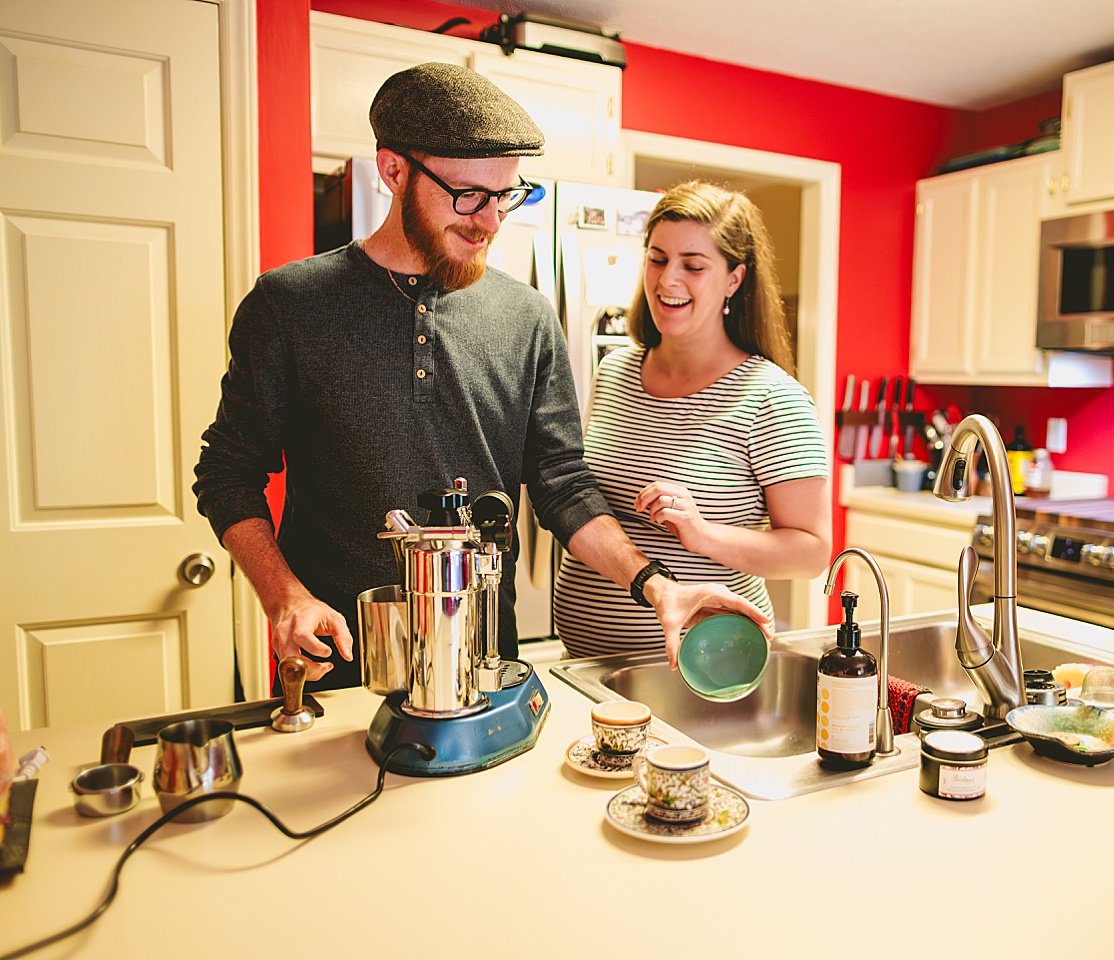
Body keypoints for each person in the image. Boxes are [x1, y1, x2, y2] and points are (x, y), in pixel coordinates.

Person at [193, 64, 767, 690]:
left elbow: (562, 484)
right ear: (393, 171)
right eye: (468, 195)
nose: (491, 221)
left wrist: (654, 586)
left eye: (506, 196)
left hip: (485, 665)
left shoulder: (526, 317)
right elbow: (228, 474)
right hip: (339, 661)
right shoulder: (289, 305)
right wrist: (285, 597)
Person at [554, 181, 831, 660]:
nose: (667, 281)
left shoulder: (771, 397)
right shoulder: (615, 371)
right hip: (586, 661)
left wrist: (705, 535)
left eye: (693, 266)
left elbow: (811, 552)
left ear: (734, 279)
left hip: (703, 665)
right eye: (658, 259)